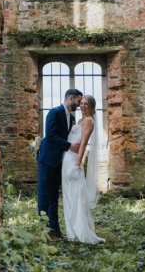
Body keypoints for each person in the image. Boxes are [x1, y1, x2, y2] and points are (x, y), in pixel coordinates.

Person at [37, 89, 83, 240]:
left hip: (60, 162)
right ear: (71, 98)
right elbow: (50, 136)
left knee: (54, 196)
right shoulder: (54, 112)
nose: (79, 105)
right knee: (44, 196)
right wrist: (69, 146)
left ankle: (55, 229)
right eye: (78, 101)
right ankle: (44, 230)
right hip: (47, 160)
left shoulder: (71, 118)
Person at [61, 95, 105, 244]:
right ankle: (71, 230)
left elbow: (84, 143)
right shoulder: (78, 120)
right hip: (66, 159)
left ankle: (81, 230)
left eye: (86, 104)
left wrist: (78, 163)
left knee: (78, 196)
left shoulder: (89, 121)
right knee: (68, 195)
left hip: (74, 161)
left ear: (92, 106)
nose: (83, 106)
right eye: (82, 103)